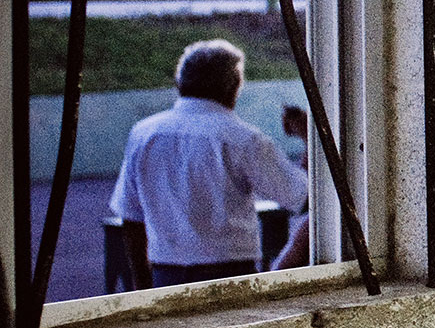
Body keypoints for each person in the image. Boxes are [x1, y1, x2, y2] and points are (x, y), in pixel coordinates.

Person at [109, 39, 310, 289]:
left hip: (164, 276)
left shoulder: (143, 134)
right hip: (231, 276)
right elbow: (302, 198)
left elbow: (131, 219)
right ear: (234, 87)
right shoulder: (244, 139)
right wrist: (306, 136)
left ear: (179, 83)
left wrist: (142, 288)